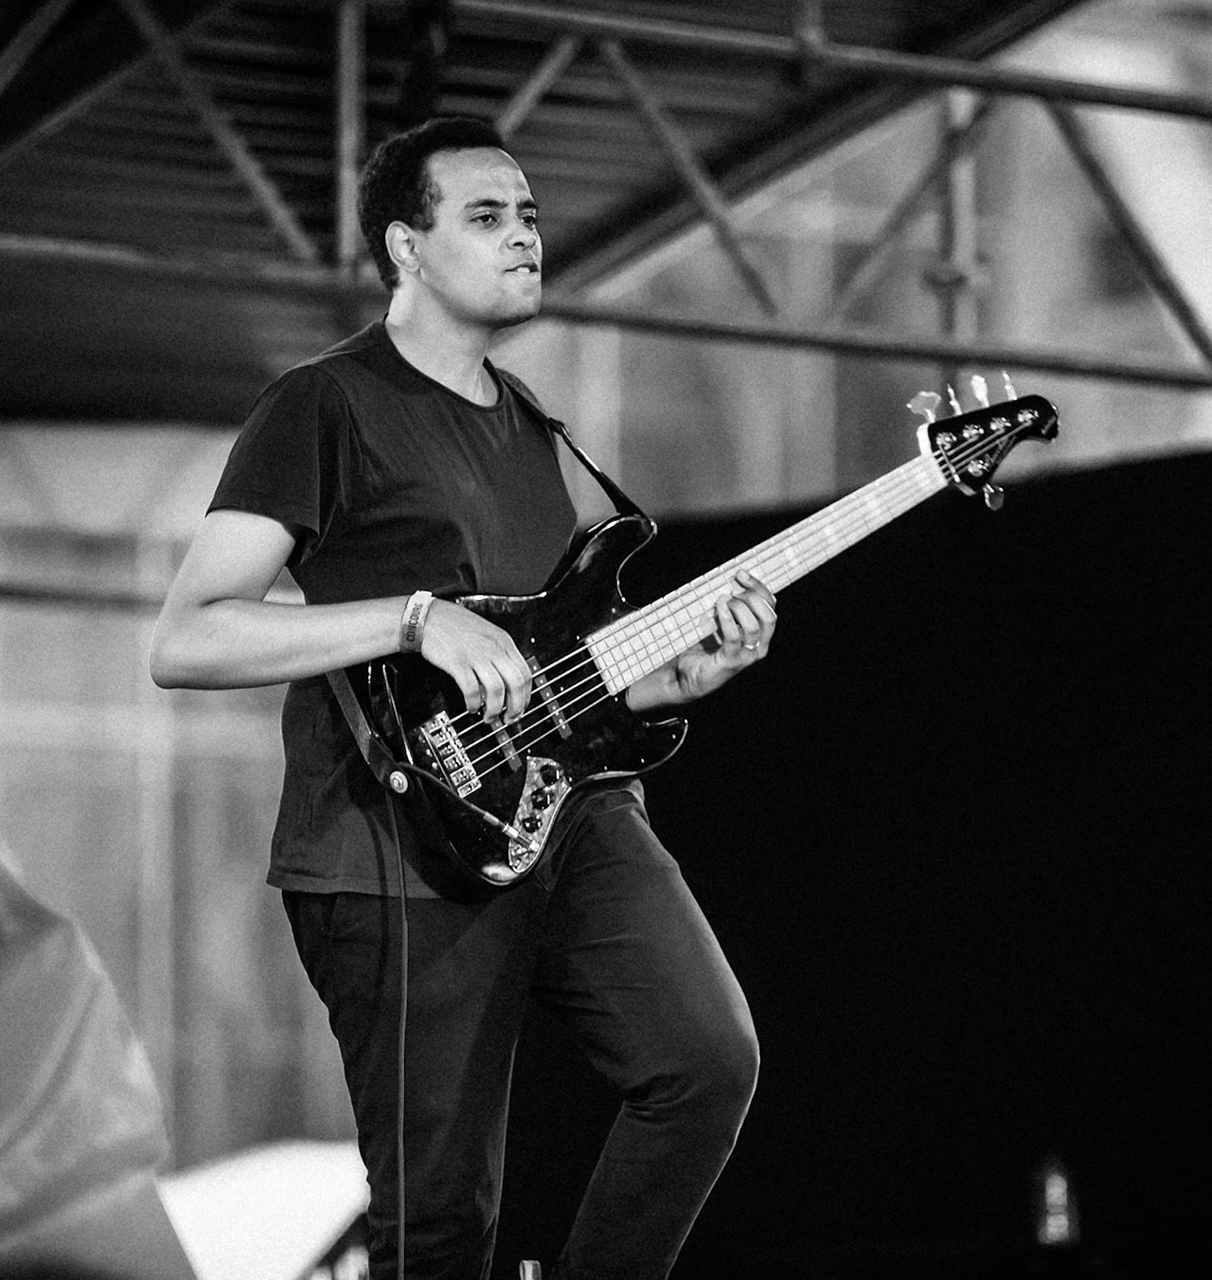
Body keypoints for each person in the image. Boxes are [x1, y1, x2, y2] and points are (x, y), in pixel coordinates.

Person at [150, 115, 775, 1280]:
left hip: (571, 814)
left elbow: (556, 666)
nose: (525, 237)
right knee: (437, 1225)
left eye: (529, 215)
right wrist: (411, 615)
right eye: (487, 217)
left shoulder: (544, 433)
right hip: (388, 844)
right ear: (406, 248)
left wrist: (682, 669)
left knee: (706, 1059)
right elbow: (187, 635)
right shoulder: (323, 405)